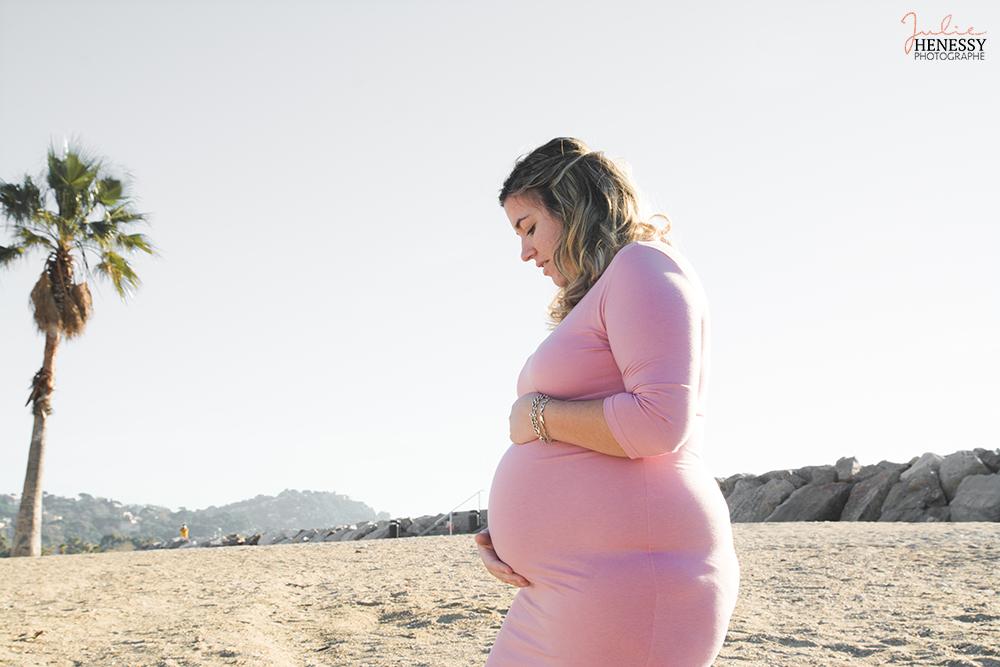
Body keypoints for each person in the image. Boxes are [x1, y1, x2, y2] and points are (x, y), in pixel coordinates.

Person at [475, 137, 740, 666]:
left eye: (530, 227)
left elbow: (660, 423)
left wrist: (536, 416)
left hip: (635, 579)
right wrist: (506, 532)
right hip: (572, 586)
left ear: (573, 207)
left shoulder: (643, 267)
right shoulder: (605, 292)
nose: (524, 252)